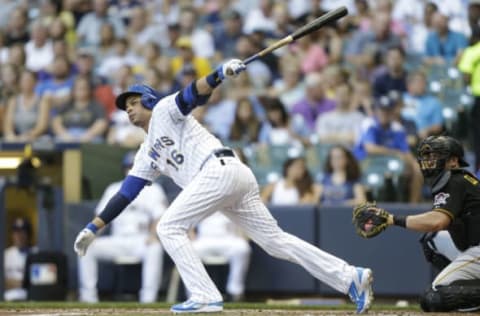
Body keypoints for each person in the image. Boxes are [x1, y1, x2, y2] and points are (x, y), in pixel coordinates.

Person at [73, 58, 374, 313]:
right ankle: (350, 277)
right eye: (125, 106)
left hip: (219, 170)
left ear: (149, 101)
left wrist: (218, 74)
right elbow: (126, 193)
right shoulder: (145, 154)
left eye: (134, 102)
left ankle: (205, 296)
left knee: (168, 227)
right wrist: (93, 227)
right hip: (228, 177)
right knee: (275, 242)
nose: (129, 109)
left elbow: (193, 95)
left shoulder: (165, 110)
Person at [359, 136, 480, 312]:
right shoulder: (460, 179)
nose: (430, 161)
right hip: (473, 246)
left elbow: (438, 221)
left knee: (434, 297)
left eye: (436, 155)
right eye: (428, 156)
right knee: (431, 240)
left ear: (453, 161)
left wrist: (393, 219)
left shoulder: (455, 179)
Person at [77, 151, 168, 303]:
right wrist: (92, 236)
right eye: (129, 166)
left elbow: (160, 216)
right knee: (86, 247)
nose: (131, 169)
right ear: (124, 168)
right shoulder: (114, 189)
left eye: (135, 166)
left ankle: (148, 299)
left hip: (141, 240)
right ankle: (88, 297)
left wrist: (153, 235)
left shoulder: (154, 189)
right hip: (117, 240)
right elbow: (101, 217)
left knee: (155, 248)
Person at [191, 212, 251, 302]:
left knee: (243, 248)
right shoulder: (196, 200)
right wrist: (191, 238)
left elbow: (240, 222)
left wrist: (242, 236)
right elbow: (188, 224)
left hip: (228, 239)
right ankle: (195, 293)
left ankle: (235, 291)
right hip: (203, 239)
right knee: (189, 250)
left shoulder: (231, 199)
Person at [4, 217, 37, 301]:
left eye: (23, 231)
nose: (19, 235)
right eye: (16, 232)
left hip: (30, 300)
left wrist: (12, 282)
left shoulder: (36, 253)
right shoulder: (6, 255)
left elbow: (39, 283)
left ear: (29, 234)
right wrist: (24, 283)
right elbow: (2, 282)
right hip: (8, 299)